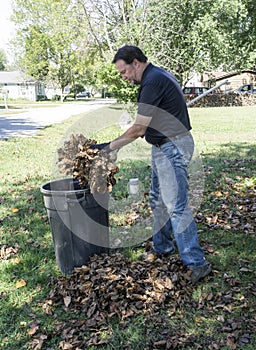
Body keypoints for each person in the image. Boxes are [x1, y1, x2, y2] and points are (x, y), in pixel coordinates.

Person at [91, 45, 211, 284]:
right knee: (158, 200)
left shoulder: (153, 81)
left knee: (176, 206)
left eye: (123, 71)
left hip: (173, 146)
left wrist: (107, 148)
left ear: (136, 62)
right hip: (163, 146)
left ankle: (197, 263)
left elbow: (138, 129)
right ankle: (163, 247)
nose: (123, 77)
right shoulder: (156, 75)